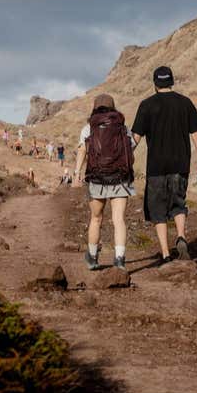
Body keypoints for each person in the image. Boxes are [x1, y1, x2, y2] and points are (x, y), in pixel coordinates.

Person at [131, 66, 197, 263]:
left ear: (155, 84)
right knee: (178, 204)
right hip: (180, 164)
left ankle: (165, 254)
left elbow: (136, 139)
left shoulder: (146, 105)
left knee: (158, 210)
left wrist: (122, 158)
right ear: (172, 82)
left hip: (156, 166)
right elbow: (196, 134)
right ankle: (181, 236)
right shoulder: (185, 103)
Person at [73, 94, 136, 271]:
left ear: (95, 107)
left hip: (97, 178)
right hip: (120, 178)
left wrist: (77, 172)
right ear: (113, 107)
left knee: (96, 218)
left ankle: (92, 257)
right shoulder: (123, 127)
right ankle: (120, 260)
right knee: (119, 219)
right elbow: (130, 150)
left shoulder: (88, 128)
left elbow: (82, 150)